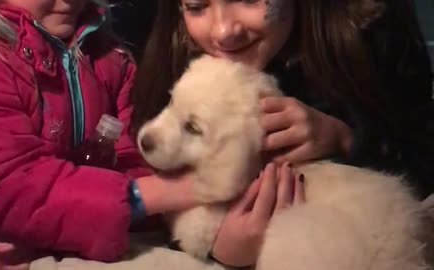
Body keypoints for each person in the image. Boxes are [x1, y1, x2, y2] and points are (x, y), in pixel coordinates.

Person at [0, 0, 303, 269]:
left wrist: (206, 229)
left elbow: (136, 157)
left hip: (84, 238)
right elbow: (12, 183)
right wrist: (168, 194)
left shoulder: (110, 58)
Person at [129, 0, 434, 266]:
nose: (223, 30)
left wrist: (347, 139)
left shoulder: (370, 32)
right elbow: (145, 170)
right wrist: (219, 245)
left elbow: (422, 160)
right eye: (196, 6)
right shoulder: (174, 52)